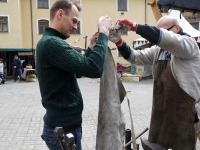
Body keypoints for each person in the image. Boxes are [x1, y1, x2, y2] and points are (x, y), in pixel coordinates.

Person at [109, 15, 200, 150]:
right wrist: (119, 42)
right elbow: (135, 57)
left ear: (177, 28)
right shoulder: (159, 51)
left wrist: (135, 26)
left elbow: (171, 40)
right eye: (158, 31)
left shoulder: (189, 45)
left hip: (184, 114)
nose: (159, 37)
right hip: (160, 114)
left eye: (164, 31)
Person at [36, 0, 112, 150]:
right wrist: (103, 33)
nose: (76, 26)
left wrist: (90, 47)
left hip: (65, 127)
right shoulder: (52, 43)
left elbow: (77, 71)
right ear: (60, 14)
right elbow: (94, 69)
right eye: (74, 21)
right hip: (63, 131)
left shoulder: (52, 42)